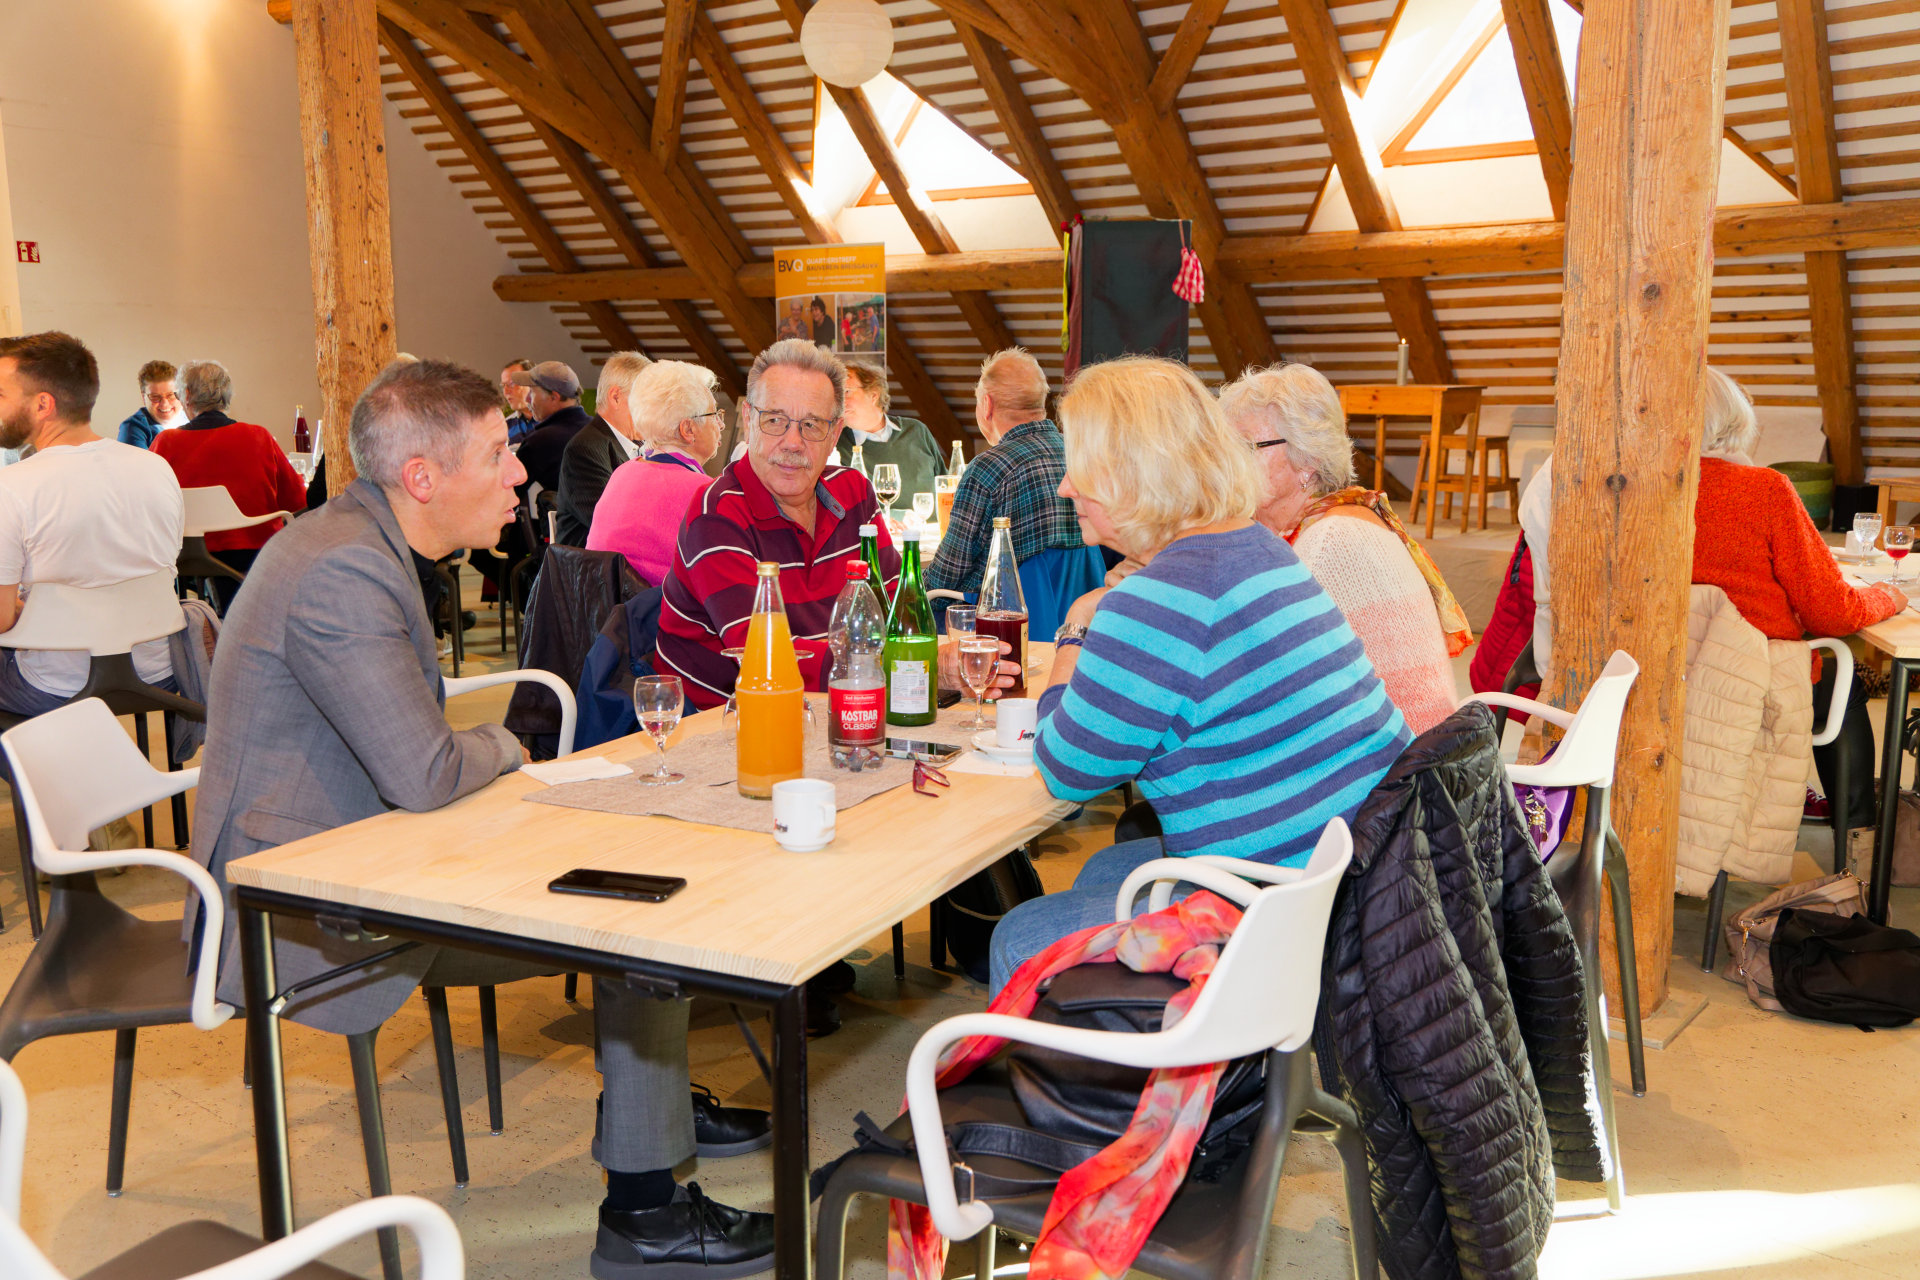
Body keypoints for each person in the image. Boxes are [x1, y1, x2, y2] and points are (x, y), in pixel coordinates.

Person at [192, 359, 776, 1279]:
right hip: (305, 905)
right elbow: (425, 770)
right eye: (499, 454)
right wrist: (510, 745)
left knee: (635, 890)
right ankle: (645, 1210)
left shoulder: (361, 539)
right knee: (637, 926)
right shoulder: (344, 569)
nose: (518, 475)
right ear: (422, 477)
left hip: (377, 851)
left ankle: (651, 1110)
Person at [986, 357, 1411, 993]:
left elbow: (1067, 769)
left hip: (1284, 913)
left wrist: (1075, 631)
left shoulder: (1159, 600)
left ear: (1131, 474)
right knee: (1107, 868)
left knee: (1020, 935)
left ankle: (1167, 1045)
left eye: (1080, 465)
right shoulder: (1262, 547)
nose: (1065, 486)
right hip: (1367, 874)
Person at [658, 339, 1016, 710]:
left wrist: (929, 658)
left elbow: (899, 609)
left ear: (834, 434)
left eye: (811, 425)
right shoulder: (716, 515)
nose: (792, 442)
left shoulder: (853, 493)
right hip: (723, 721)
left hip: (842, 706)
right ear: (748, 421)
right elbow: (766, 657)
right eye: (775, 420)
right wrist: (922, 666)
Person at [1690, 368, 1900, 827]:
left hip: (1668, 673)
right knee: (1845, 682)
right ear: (1733, 420)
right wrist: (1887, 597)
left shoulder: (1638, 490)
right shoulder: (1764, 489)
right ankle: (1858, 833)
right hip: (1755, 678)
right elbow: (1832, 613)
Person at [1219, 362, 1469, 735]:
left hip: (1395, 760)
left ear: (1307, 459)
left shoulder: (1330, 543)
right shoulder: (1335, 519)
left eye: (1246, 446)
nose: (1226, 462)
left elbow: (1258, 679)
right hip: (1392, 745)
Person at [0, 331, 183, 716]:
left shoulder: (11, 486)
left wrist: (24, 605)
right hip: (159, 675)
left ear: (42, 404)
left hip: (55, 687)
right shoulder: (157, 468)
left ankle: (37, 757)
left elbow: (2, 619)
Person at [925, 349, 1084, 594]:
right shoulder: (1081, 451)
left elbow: (945, 576)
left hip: (999, 613)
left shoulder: (987, 470)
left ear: (986, 404)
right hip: (1077, 609)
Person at [152, 360, 309, 601]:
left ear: (187, 395)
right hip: (256, 555)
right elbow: (296, 500)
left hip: (190, 558)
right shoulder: (259, 436)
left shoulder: (165, 443)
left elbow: (149, 505)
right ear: (227, 395)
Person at [587, 360, 722, 585]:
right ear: (688, 429)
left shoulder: (623, 472)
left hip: (600, 603)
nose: (720, 424)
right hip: (660, 605)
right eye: (714, 414)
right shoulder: (704, 492)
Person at [555, 352, 650, 546]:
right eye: (646, 401)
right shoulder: (585, 449)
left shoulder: (643, 446)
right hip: (594, 562)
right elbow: (612, 525)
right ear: (615, 397)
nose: (652, 412)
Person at [841, 362, 944, 507]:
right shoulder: (837, 446)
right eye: (836, 394)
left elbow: (946, 485)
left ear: (873, 395)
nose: (840, 401)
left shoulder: (917, 430)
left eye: (846, 391)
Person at [511, 360, 591, 497]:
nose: (527, 399)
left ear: (554, 397)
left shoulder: (539, 442)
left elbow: (509, 493)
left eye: (532, 392)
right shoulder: (601, 428)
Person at [117, 359, 184, 449]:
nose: (164, 404)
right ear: (143, 397)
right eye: (155, 397)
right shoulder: (133, 429)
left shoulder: (193, 420)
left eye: (170, 395)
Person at [501, 357, 537, 443]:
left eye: (512, 384)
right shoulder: (505, 428)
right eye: (503, 386)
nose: (506, 392)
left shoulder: (556, 417)